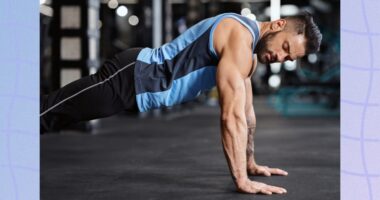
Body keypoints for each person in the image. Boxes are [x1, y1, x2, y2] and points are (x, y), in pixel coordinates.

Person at [40, 12, 322, 195]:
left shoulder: (248, 56)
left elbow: (247, 116)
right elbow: (230, 117)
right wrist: (241, 180)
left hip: (138, 91)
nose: (280, 58)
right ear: (278, 25)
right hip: (130, 77)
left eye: (289, 58)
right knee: (48, 114)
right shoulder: (240, 36)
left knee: (57, 117)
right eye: (285, 48)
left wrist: (251, 163)